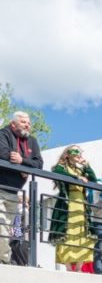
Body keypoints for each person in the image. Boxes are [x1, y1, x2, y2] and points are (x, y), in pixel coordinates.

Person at [0, 111, 43, 265]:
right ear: (13, 124)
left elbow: (39, 164)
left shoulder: (32, 141)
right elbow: (3, 153)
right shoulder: (4, 134)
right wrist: (22, 167)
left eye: (29, 122)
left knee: (7, 231)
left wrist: (22, 161)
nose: (28, 125)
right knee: (2, 229)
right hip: (0, 188)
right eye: (24, 122)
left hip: (14, 192)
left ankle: (4, 261)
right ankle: (4, 262)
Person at [48, 145, 97, 272]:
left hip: (81, 206)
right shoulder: (61, 167)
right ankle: (69, 268)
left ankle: (79, 268)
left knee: (83, 235)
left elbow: (93, 180)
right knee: (68, 234)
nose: (78, 153)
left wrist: (87, 166)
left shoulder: (81, 170)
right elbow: (57, 172)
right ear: (67, 154)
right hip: (67, 205)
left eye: (80, 152)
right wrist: (77, 178)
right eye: (75, 151)